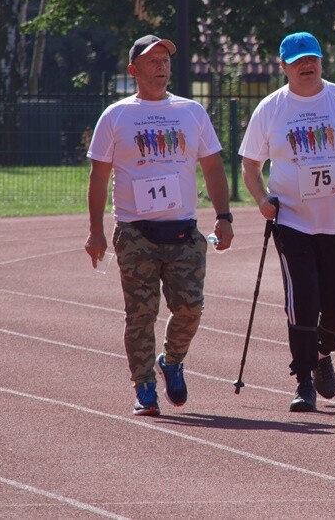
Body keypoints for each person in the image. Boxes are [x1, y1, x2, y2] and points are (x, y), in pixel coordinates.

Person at [85, 34, 234, 416]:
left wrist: (224, 216)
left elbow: (213, 167)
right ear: (134, 70)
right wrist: (96, 231)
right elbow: (99, 177)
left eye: (166, 58)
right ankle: (144, 386)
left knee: (190, 309)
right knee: (141, 314)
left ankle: (171, 360)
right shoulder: (116, 116)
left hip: (183, 230)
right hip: (135, 232)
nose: (161, 65)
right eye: (152, 59)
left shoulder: (192, 112)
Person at [239, 31, 335, 412]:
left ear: (321, 61)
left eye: (312, 58)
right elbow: (251, 166)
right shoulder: (271, 108)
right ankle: (303, 381)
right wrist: (262, 200)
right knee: (303, 301)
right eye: (298, 60)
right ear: (283, 66)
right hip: (292, 222)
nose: (307, 65)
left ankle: (322, 353)